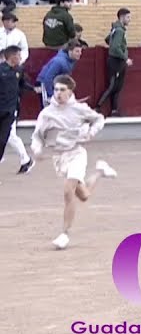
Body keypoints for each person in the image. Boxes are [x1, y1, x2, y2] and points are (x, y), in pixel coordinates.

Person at [32, 74, 115, 250]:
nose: (58, 93)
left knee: (68, 190)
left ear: (70, 92)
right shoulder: (46, 114)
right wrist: (37, 149)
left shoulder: (80, 109)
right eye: (56, 89)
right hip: (58, 157)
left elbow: (99, 119)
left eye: (62, 90)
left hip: (76, 154)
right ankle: (100, 171)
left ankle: (64, 234)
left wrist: (91, 132)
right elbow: (37, 136)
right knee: (83, 196)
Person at [0, 45, 35, 175]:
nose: (21, 58)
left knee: (6, 137)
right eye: (19, 55)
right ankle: (25, 160)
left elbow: (22, 84)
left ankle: (25, 160)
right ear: (12, 57)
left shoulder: (19, 70)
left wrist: (33, 89)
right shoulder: (1, 70)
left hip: (10, 111)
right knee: (9, 137)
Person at [96, 8, 131, 116]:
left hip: (115, 61)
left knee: (117, 86)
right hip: (116, 61)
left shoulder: (116, 29)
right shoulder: (119, 30)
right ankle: (98, 107)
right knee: (113, 86)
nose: (129, 20)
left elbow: (108, 40)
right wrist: (125, 58)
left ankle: (114, 110)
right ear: (122, 17)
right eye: (128, 17)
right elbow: (115, 47)